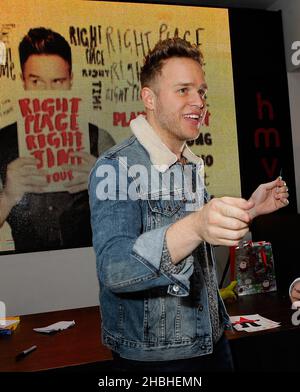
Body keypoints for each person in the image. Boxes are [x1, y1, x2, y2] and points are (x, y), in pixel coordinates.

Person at [89, 37, 289, 372]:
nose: (198, 101)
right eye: (183, 90)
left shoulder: (186, 164)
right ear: (149, 98)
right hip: (158, 361)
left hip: (212, 340)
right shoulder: (115, 167)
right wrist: (196, 225)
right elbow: (115, 269)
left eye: (201, 91)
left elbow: (199, 231)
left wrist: (251, 209)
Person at [0, 27, 115, 251]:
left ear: (70, 80)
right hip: (27, 271)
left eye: (57, 81)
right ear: (22, 81)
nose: (47, 92)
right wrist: (8, 196)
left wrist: (106, 185)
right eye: (36, 82)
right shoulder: (1, 142)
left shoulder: (100, 138)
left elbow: (134, 217)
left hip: (90, 265)